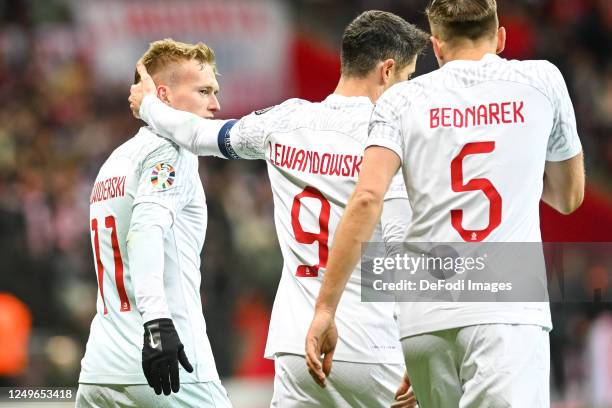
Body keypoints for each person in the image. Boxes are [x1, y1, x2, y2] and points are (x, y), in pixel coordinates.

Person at [129, 11, 428, 407]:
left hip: (295, 347)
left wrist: (150, 106)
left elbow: (201, 135)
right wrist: (423, 345)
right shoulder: (393, 136)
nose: (406, 89)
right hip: (375, 345)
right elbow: (401, 249)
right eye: (407, 78)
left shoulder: (285, 121)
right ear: (387, 71)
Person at [305, 0, 585, 407]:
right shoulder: (541, 80)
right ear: (501, 37)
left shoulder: (399, 101)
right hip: (505, 311)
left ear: (436, 47)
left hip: (425, 321)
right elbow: (568, 197)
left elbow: (366, 198)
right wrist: (514, 156)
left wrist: (325, 309)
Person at [76, 39, 232, 407]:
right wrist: (158, 324)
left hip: (101, 367)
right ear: (162, 95)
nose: (216, 104)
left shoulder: (116, 160)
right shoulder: (171, 152)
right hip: (165, 361)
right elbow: (145, 231)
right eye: (204, 91)